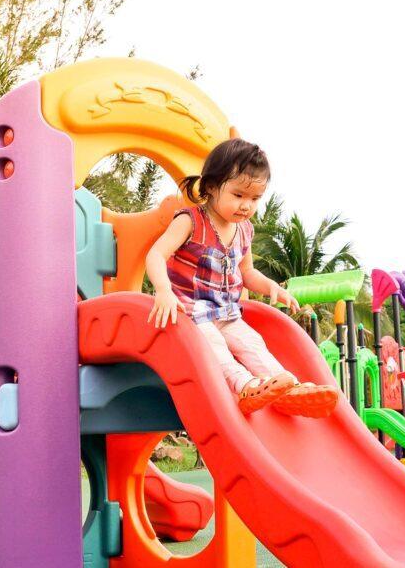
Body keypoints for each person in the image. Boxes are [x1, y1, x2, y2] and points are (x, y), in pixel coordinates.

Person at [145, 138, 339, 417]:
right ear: (211, 187)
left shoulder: (244, 230)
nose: (246, 205)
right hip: (189, 313)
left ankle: (287, 388)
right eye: (238, 195)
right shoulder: (191, 221)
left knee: (252, 343)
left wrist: (272, 286)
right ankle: (245, 387)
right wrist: (163, 291)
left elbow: (247, 272)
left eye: (255, 199)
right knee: (214, 346)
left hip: (226, 312)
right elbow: (155, 255)